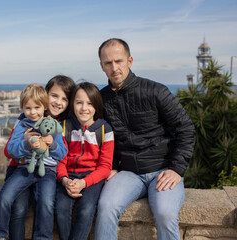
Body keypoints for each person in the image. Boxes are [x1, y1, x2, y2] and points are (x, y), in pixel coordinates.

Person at [94, 38, 195, 240]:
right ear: (102, 66)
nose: (114, 67)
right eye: (108, 63)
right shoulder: (101, 99)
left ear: (129, 61)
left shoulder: (156, 91)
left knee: (165, 214)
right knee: (105, 207)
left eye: (119, 61)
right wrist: (111, 165)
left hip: (163, 169)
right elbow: (103, 137)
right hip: (128, 173)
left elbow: (186, 128)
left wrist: (176, 169)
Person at [0, 83, 68, 240]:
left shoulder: (53, 126)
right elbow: (10, 150)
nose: (33, 113)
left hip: (47, 171)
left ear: (44, 107)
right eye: (28, 108)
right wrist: (26, 143)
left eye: (37, 108)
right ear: (22, 108)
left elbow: (62, 153)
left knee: (46, 202)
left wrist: (52, 144)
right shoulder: (22, 126)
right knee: (5, 196)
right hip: (25, 168)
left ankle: (43, 237)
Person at [55, 82, 114, 240]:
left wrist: (84, 183)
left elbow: (105, 166)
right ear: (72, 104)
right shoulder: (64, 127)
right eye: (79, 103)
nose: (84, 108)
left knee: (86, 209)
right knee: (61, 209)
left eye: (89, 103)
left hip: (92, 178)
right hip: (68, 176)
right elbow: (60, 160)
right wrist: (65, 180)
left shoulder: (104, 130)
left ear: (96, 105)